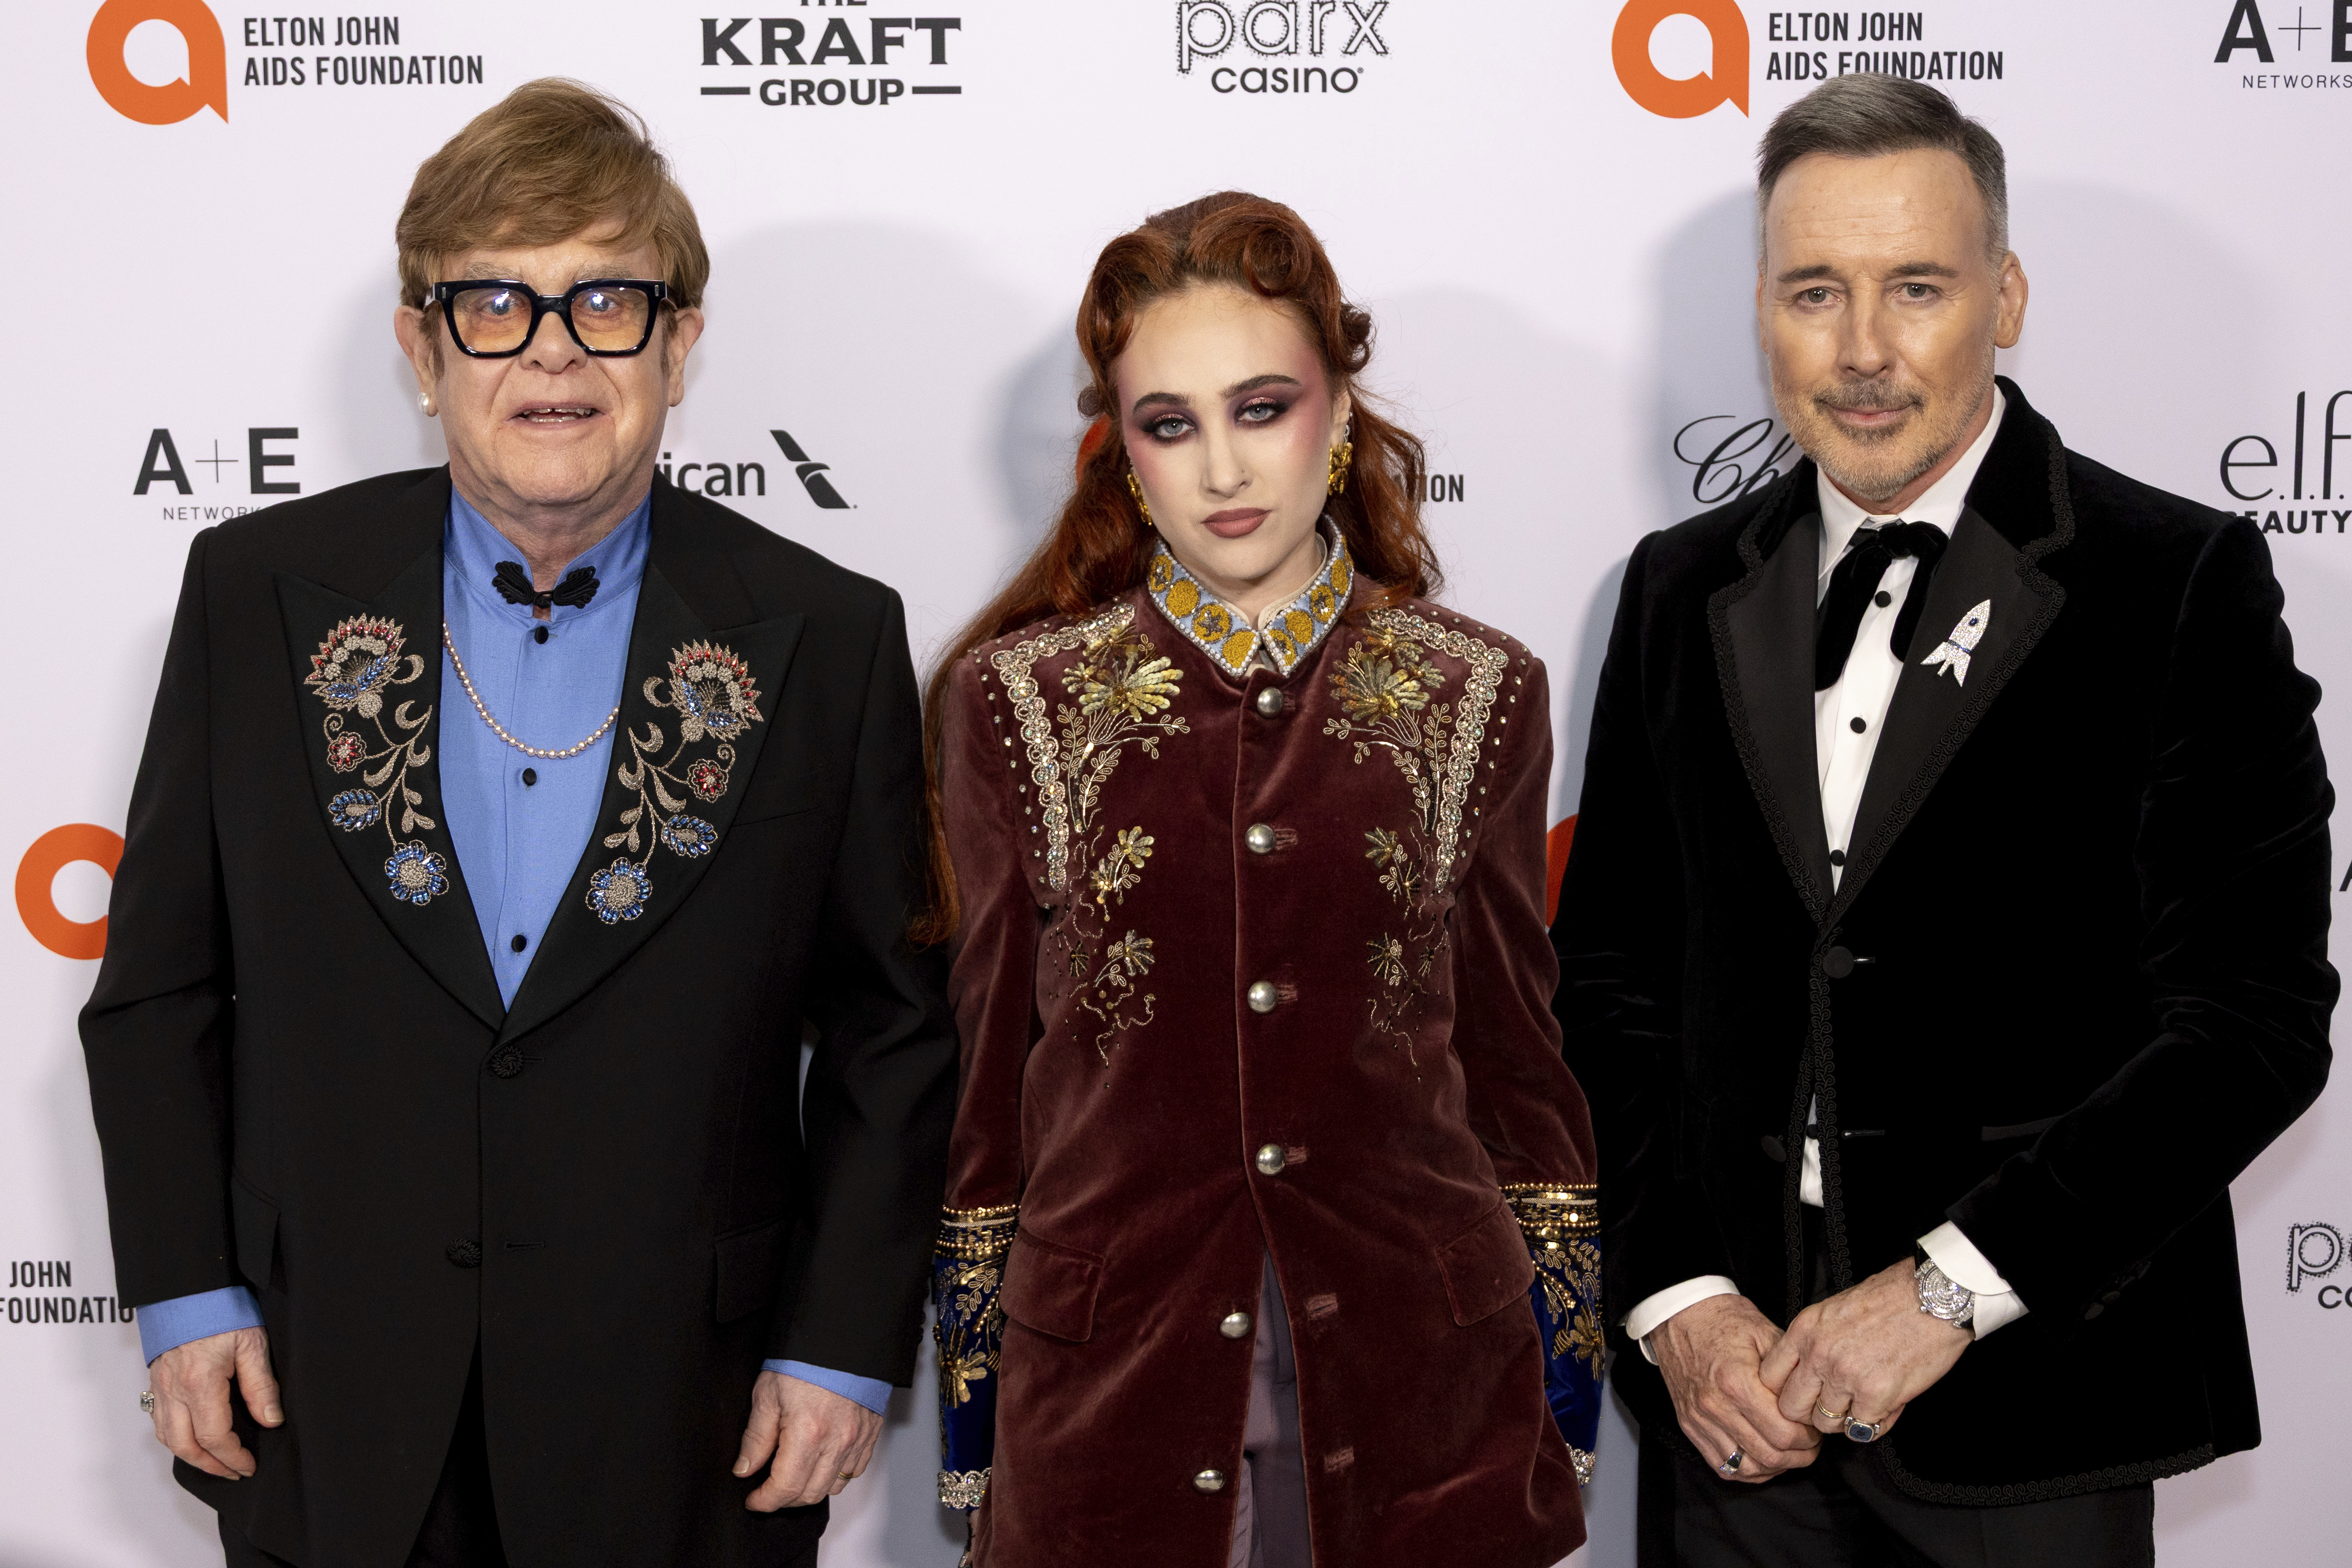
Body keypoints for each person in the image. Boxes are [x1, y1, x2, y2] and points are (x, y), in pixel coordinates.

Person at [80, 80, 957, 1568]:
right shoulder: (256, 593)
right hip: (327, 1400)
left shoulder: (828, 632)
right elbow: (160, 988)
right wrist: (183, 1293)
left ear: (679, 344)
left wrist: (841, 1342)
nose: (552, 351)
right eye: (494, 301)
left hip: (691, 1426)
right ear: (424, 349)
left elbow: (894, 1025)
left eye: (606, 298)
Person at [1553, 73, 2335, 1568]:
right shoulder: (1674, 585)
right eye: (1813, 292)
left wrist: (1944, 1292)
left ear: (2008, 294)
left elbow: (2251, 1019)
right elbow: (1609, 986)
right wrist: (1678, 1302)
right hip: (1737, 1423)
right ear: (1761, 311)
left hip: (2034, 1406)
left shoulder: (2175, 580)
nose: (1861, 351)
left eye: (1916, 286)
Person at [917, 191, 1603, 1568]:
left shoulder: (1478, 689)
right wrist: (975, 1424)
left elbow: (1523, 1071)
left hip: (1427, 1388)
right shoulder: (1016, 703)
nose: (1223, 465)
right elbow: (988, 1094)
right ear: (1125, 457)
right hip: (1112, 1393)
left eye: (1263, 406)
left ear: (1339, 413)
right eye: (1169, 423)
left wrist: (1563, 1391)